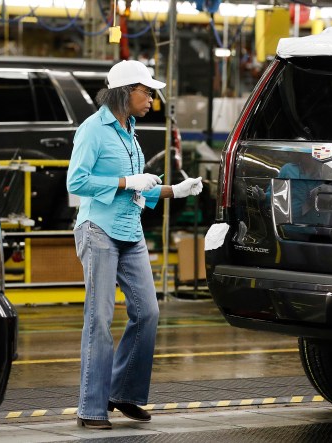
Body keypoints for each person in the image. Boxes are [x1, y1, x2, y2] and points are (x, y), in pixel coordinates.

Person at [66, 59, 203, 430]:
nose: (153, 100)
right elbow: (76, 183)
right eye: (148, 92)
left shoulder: (131, 130)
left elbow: (140, 187)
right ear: (127, 92)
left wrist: (175, 190)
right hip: (98, 230)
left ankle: (123, 393)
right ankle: (91, 408)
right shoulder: (93, 130)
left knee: (147, 314)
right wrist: (127, 182)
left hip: (130, 231)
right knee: (99, 319)